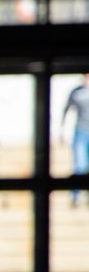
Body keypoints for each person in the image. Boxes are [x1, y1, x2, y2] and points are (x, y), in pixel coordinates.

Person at [61, 72, 89, 207]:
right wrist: (62, 130)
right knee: (80, 165)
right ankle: (75, 197)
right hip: (81, 132)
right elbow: (66, 109)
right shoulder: (76, 93)